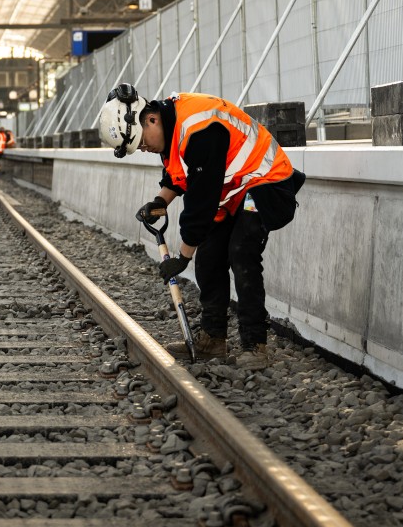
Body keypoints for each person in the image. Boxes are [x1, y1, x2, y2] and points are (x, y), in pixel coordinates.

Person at [97, 83, 305, 371]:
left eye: (142, 142)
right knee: (209, 256)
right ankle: (213, 339)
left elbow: (201, 204)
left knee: (241, 252)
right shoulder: (170, 125)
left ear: (150, 119)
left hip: (267, 183)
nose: (144, 148)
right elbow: (177, 174)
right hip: (235, 191)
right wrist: (160, 202)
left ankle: (254, 344)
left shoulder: (199, 127)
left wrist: (182, 257)